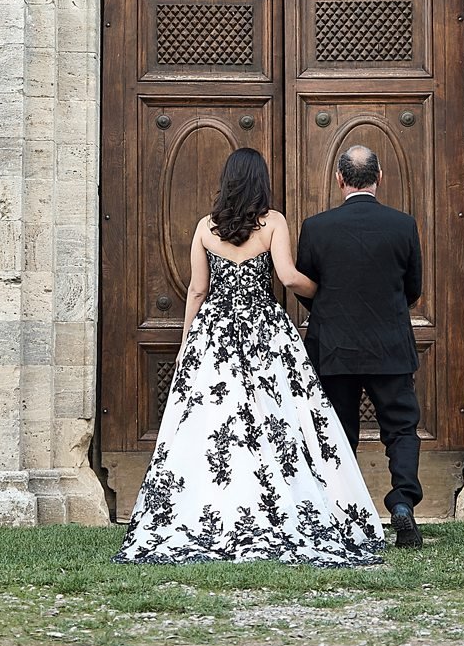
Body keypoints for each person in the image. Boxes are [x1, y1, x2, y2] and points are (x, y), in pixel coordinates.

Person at [115, 148, 385, 566]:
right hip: (265, 331)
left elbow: (197, 291)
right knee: (280, 418)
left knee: (214, 423)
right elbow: (290, 277)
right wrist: (328, 294)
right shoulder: (273, 221)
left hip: (215, 335)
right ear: (260, 182)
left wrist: (188, 342)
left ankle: (214, 506)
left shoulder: (206, 228)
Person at [296, 144, 425, 548]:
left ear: (339, 179)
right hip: (390, 346)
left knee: (338, 432)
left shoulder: (316, 228)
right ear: (379, 177)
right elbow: (413, 289)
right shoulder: (403, 225)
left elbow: (307, 286)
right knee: (401, 429)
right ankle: (402, 502)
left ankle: (344, 515)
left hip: (334, 348)